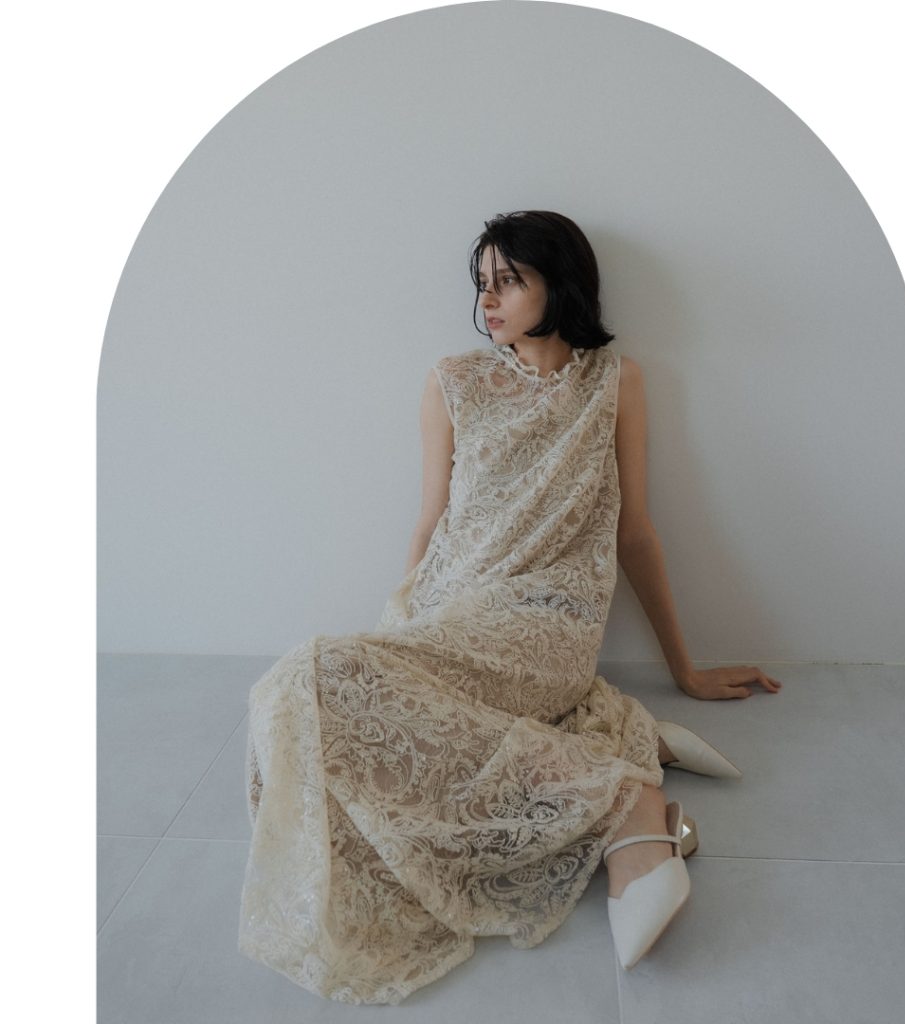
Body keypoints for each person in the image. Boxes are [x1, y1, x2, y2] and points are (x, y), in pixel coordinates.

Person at [238, 210, 782, 1006]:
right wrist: (402, 638)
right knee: (294, 692)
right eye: (481, 284)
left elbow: (634, 534)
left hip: (549, 622)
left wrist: (687, 670)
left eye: (509, 281)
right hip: (452, 607)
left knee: (311, 682)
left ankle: (628, 807)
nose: (487, 300)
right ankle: (610, 744)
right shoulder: (451, 381)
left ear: (560, 284)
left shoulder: (617, 382)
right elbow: (431, 522)